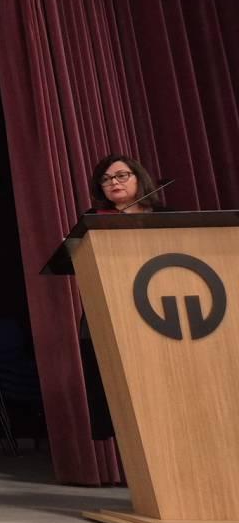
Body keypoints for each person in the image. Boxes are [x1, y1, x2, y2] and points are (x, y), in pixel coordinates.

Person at [78, 153, 170, 444]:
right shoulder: (94, 220)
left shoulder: (169, 216)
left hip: (166, 309)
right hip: (113, 308)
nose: (113, 183)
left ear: (139, 178)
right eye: (106, 180)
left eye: (121, 175)